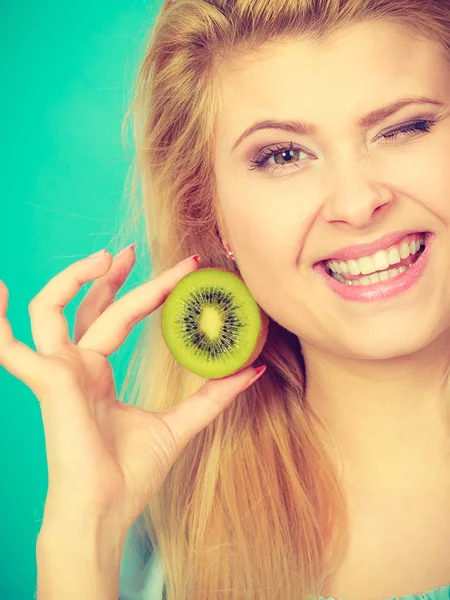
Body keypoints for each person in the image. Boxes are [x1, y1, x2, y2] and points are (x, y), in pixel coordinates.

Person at [1, 0, 450, 598]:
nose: (356, 201)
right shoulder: (167, 556)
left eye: (405, 128)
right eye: (283, 155)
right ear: (213, 218)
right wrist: (85, 534)